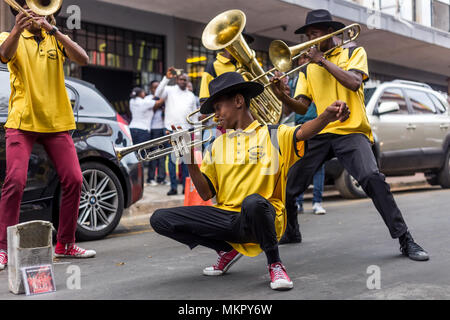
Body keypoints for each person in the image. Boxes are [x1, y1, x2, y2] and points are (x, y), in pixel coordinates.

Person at [150, 71, 350, 290]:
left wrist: (327, 116)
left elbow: (302, 132)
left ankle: (275, 264)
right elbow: (206, 194)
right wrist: (188, 159)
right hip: (228, 219)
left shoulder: (272, 134)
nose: (215, 116)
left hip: (264, 216)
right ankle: (226, 249)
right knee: (160, 219)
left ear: (238, 101)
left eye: (218, 108)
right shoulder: (217, 145)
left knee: (253, 202)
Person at [270, 9, 429, 261]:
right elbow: (301, 105)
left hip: (351, 130)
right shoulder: (307, 68)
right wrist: (282, 94)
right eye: (307, 35)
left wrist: (322, 60)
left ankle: (405, 238)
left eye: (315, 34)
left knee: (372, 178)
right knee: (288, 183)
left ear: (331, 33)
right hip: (322, 130)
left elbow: (354, 82)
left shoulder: (354, 52)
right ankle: (292, 231)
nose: (309, 39)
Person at [0, 2, 96, 269]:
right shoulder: (11, 37)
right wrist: (17, 30)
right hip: (22, 120)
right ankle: (2, 249)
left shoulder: (54, 37)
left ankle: (65, 245)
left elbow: (84, 59)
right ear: (21, 15)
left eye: (43, 11)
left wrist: (54, 30)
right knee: (15, 182)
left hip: (56, 121)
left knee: (75, 179)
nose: (38, 16)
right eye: (31, 13)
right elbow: (4, 55)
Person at [154, 67, 197, 196]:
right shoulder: (170, 90)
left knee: (185, 162)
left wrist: (194, 129)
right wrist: (166, 78)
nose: (183, 81)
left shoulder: (191, 96)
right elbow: (157, 93)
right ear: (177, 80)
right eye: (181, 79)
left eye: (185, 80)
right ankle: (173, 187)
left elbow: (193, 114)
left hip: (186, 131)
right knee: (172, 160)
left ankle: (185, 187)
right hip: (170, 130)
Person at [144, 81, 168, 186]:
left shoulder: (165, 98)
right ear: (150, 89)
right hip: (153, 129)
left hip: (164, 128)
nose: (156, 89)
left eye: (158, 87)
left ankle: (161, 178)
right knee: (153, 154)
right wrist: (160, 102)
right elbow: (151, 109)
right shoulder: (147, 99)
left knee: (163, 155)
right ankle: (150, 178)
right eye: (154, 87)